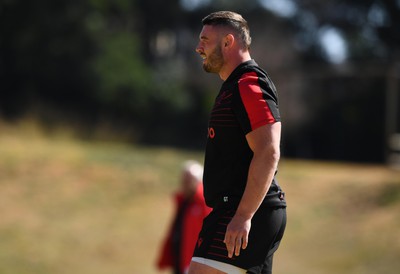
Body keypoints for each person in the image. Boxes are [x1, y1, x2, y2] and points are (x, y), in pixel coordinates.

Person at [188, 11, 287, 274]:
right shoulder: (234, 85)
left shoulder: (248, 82)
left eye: (205, 40)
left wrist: (243, 216)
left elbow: (268, 151)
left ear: (228, 42)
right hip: (241, 210)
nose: (198, 48)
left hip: (242, 211)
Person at [157, 160, 212, 274]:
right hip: (179, 261)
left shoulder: (204, 202)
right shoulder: (183, 201)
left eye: (188, 180)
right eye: (183, 180)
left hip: (193, 263)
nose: (185, 183)